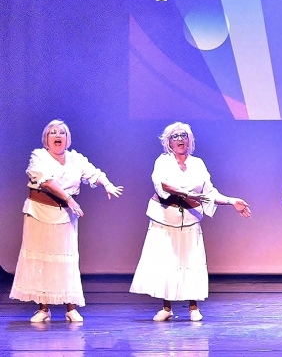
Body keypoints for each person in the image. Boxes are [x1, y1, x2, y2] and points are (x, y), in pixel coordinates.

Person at [129, 122, 251, 322]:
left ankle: (193, 307)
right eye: (175, 136)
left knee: (191, 262)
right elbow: (162, 184)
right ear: (169, 142)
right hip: (165, 218)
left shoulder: (198, 164)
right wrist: (185, 193)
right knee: (167, 262)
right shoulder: (163, 161)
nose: (180, 140)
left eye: (183, 136)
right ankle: (166, 307)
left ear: (189, 140)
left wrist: (231, 201)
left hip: (190, 219)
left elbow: (209, 192)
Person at [9, 120, 124, 323]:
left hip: (64, 216)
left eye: (61, 132)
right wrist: (69, 199)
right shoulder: (39, 156)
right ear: (46, 139)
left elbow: (94, 173)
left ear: (67, 139)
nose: (57, 135)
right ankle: (43, 308)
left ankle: (70, 307)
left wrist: (107, 184)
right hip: (39, 212)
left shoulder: (75, 159)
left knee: (66, 259)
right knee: (41, 260)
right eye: (52, 132)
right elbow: (46, 181)